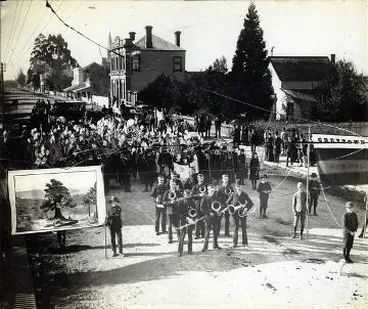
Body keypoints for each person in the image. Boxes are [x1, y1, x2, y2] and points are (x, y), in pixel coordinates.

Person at [227, 180, 254, 247]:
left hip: (242, 213)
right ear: (235, 187)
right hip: (235, 214)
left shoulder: (245, 194)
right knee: (236, 228)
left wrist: (246, 208)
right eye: (237, 186)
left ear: (242, 186)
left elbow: (250, 203)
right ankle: (235, 243)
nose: (239, 188)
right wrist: (232, 209)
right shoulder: (233, 194)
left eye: (240, 186)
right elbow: (227, 203)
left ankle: (245, 243)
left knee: (244, 228)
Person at [200, 184, 222, 252]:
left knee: (215, 232)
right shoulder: (205, 197)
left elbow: (219, 206)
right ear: (208, 190)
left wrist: (219, 211)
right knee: (207, 232)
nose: (212, 192)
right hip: (208, 217)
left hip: (215, 217)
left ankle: (215, 245)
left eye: (213, 190)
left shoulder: (216, 197)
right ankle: (205, 247)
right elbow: (201, 208)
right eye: (211, 190)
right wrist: (209, 212)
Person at [176, 189, 196, 256]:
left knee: (190, 235)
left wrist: (193, 218)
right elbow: (178, 212)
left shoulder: (192, 201)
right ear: (184, 194)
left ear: (190, 194)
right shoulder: (181, 201)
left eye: (188, 194)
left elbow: (194, 211)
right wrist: (185, 218)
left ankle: (190, 250)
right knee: (182, 235)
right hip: (183, 220)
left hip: (190, 220)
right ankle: (180, 251)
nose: (187, 195)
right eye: (186, 194)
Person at [163, 179, 182, 243]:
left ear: (175, 185)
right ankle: (170, 239)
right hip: (169, 211)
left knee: (178, 226)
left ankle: (180, 238)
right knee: (169, 226)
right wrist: (170, 202)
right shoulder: (166, 192)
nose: (173, 185)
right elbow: (164, 202)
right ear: (169, 184)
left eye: (174, 184)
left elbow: (181, 200)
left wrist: (177, 201)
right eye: (171, 184)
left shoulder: (178, 192)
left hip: (177, 211)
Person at [191, 174, 206, 239]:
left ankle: (203, 234)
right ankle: (197, 234)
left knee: (203, 219)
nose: (201, 179)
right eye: (199, 178)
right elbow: (192, 195)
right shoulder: (195, 186)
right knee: (197, 219)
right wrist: (199, 195)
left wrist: (205, 195)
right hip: (197, 204)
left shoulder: (206, 186)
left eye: (202, 178)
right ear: (197, 179)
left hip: (204, 204)